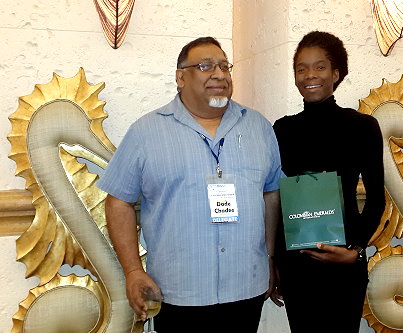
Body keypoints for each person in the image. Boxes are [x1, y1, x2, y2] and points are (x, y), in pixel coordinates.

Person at [97, 36, 282, 333]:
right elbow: (118, 200)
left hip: (247, 286)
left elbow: (271, 193)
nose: (219, 74)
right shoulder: (146, 132)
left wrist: (271, 257)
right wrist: (132, 270)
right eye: (206, 66)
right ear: (181, 77)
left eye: (224, 66)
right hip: (178, 292)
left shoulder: (258, 127)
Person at [272, 31, 386, 332]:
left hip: (343, 263)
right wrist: (274, 262)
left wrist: (355, 249)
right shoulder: (282, 129)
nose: (310, 75)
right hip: (296, 266)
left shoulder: (362, 127)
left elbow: (376, 199)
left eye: (320, 66)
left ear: (336, 73)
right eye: (301, 68)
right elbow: (277, 199)